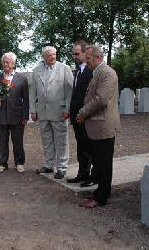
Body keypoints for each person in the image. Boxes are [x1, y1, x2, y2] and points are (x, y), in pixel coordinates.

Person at [77, 45, 121, 208]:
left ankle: (100, 197)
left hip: (103, 125)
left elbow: (101, 99)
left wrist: (83, 113)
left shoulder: (107, 73)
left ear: (98, 57)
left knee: (103, 163)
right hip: (97, 124)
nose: (86, 61)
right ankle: (102, 191)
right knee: (100, 161)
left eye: (88, 58)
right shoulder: (98, 72)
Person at [30, 46, 74, 179]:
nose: (53, 57)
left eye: (54, 54)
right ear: (43, 57)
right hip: (42, 111)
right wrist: (33, 110)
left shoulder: (64, 68)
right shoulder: (36, 70)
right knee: (46, 139)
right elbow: (33, 92)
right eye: (50, 55)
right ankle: (49, 165)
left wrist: (68, 109)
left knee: (61, 140)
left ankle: (62, 167)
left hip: (59, 111)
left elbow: (70, 91)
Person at [0, 52, 29, 173]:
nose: (5, 64)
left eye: (7, 62)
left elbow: (26, 99)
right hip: (2, 115)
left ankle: (19, 163)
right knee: (3, 141)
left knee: (18, 141)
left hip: (17, 115)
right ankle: (3, 163)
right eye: (3, 62)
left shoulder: (22, 78)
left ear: (13, 64)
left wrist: (25, 116)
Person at [67, 40, 96, 187]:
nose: (75, 56)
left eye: (77, 53)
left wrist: (84, 113)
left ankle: (91, 176)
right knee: (81, 146)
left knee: (89, 147)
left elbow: (91, 96)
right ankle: (82, 173)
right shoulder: (78, 70)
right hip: (76, 116)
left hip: (86, 116)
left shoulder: (91, 71)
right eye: (73, 53)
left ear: (85, 53)